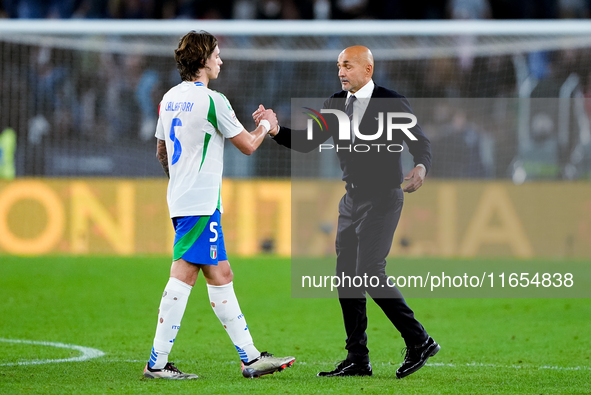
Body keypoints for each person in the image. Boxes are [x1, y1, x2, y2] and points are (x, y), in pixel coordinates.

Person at [254, 46, 439, 379]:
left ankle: (419, 340)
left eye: (348, 66)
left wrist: (422, 166)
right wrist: (275, 130)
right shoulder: (336, 103)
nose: (341, 71)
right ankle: (358, 358)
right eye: (339, 65)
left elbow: (419, 141)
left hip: (384, 199)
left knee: (368, 271)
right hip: (351, 201)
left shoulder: (391, 101)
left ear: (367, 69)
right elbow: (310, 140)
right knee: (347, 279)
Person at [144, 30, 295, 380]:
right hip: (200, 201)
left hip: (181, 198)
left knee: (219, 273)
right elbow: (247, 145)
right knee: (184, 273)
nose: (220, 60)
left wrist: (181, 181)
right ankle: (158, 363)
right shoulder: (213, 100)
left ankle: (251, 357)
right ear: (202, 60)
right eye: (216, 54)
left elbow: (161, 151)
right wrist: (266, 126)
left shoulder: (168, 99)